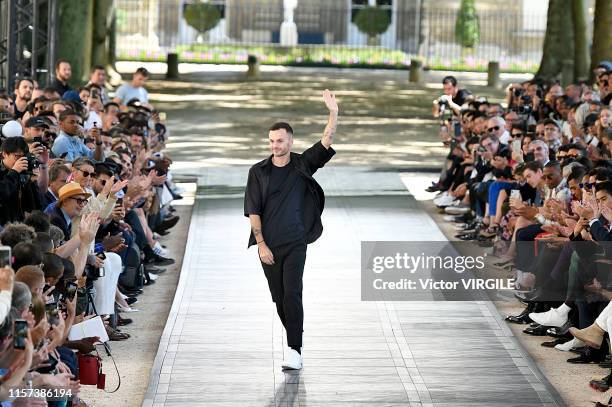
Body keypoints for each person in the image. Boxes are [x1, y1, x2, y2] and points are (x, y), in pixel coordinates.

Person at [243, 89, 338, 370]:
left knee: (293, 293)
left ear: (290, 141)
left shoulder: (302, 164)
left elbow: (327, 140)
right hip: (269, 245)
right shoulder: (258, 172)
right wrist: (261, 245)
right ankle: (294, 337)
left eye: (280, 140)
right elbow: (253, 211)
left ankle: (294, 349)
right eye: (271, 141)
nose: (275, 145)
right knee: (279, 298)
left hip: (296, 241)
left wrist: (333, 113)